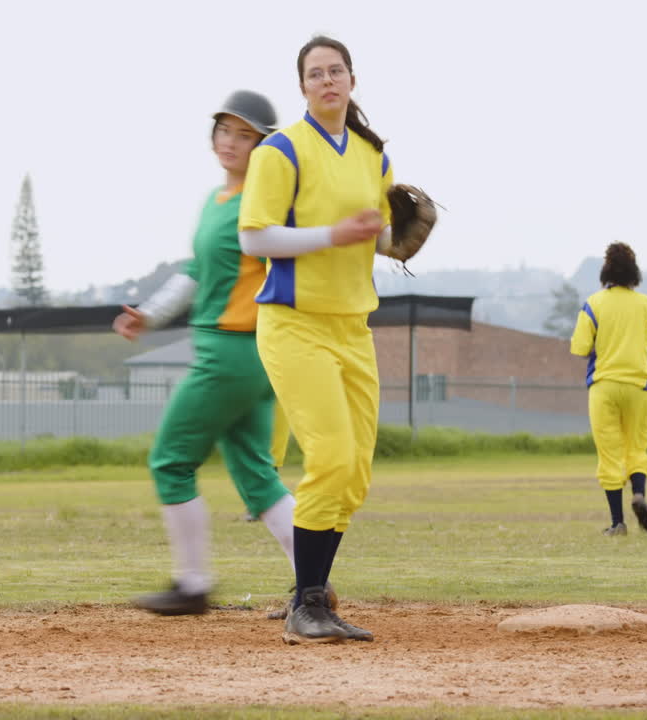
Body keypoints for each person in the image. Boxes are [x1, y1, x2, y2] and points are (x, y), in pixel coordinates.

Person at [239, 35, 401, 644]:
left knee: (354, 472)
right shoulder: (281, 151)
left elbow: (378, 236)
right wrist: (333, 234)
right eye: (315, 73)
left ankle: (313, 601)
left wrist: (396, 239)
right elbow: (255, 239)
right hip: (294, 323)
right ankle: (307, 605)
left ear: (352, 81)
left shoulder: (374, 157)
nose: (327, 81)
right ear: (302, 87)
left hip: (352, 325)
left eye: (336, 71)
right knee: (330, 458)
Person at [113, 90, 298, 616]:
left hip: (231, 350)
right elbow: (197, 270)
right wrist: (148, 314)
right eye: (225, 130)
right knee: (258, 479)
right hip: (247, 355)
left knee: (170, 461)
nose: (231, 141)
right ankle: (313, 583)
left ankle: (193, 584)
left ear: (265, 146)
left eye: (246, 134)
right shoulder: (216, 202)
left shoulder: (261, 203)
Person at [569, 242, 647, 536]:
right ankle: (639, 494)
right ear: (635, 272)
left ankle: (618, 523)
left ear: (606, 270)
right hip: (638, 386)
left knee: (610, 452)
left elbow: (580, 347)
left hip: (604, 386)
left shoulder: (594, 304)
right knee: (637, 447)